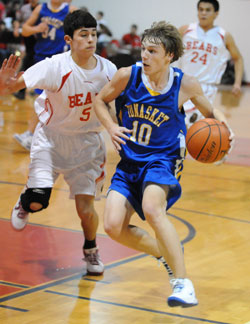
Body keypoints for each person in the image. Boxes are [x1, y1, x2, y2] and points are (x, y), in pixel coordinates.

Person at [94, 21, 234, 307]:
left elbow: (210, 111)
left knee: (152, 208)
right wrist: (110, 126)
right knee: (112, 226)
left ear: (169, 55)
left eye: (152, 51)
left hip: (163, 161)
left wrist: (224, 125)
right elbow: (100, 100)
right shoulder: (126, 76)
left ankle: (183, 284)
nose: (144, 56)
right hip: (130, 162)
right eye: (143, 49)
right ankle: (164, 253)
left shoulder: (184, 84)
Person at [0, 10, 117, 275]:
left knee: (86, 210)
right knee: (37, 201)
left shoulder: (108, 70)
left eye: (93, 35)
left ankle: (90, 249)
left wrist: (116, 129)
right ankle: (25, 200)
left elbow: (115, 104)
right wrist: (2, 84)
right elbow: (9, 88)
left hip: (87, 145)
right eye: (83, 35)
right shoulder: (54, 66)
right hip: (51, 141)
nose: (90, 40)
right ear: (68, 39)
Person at [13, 0, 77, 151]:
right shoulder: (41, 9)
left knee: (46, 97)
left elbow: (85, 29)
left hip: (60, 60)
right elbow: (24, 30)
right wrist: (36, 28)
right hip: (41, 57)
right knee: (45, 98)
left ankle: (32, 134)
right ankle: (40, 136)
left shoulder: (70, 10)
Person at [178, 0, 244, 128]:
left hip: (207, 88)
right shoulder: (185, 30)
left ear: (216, 13)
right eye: (201, 9)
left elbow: (238, 58)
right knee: (178, 124)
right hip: (184, 83)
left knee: (192, 127)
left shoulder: (223, 35)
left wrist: (237, 83)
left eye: (208, 10)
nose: (203, 13)